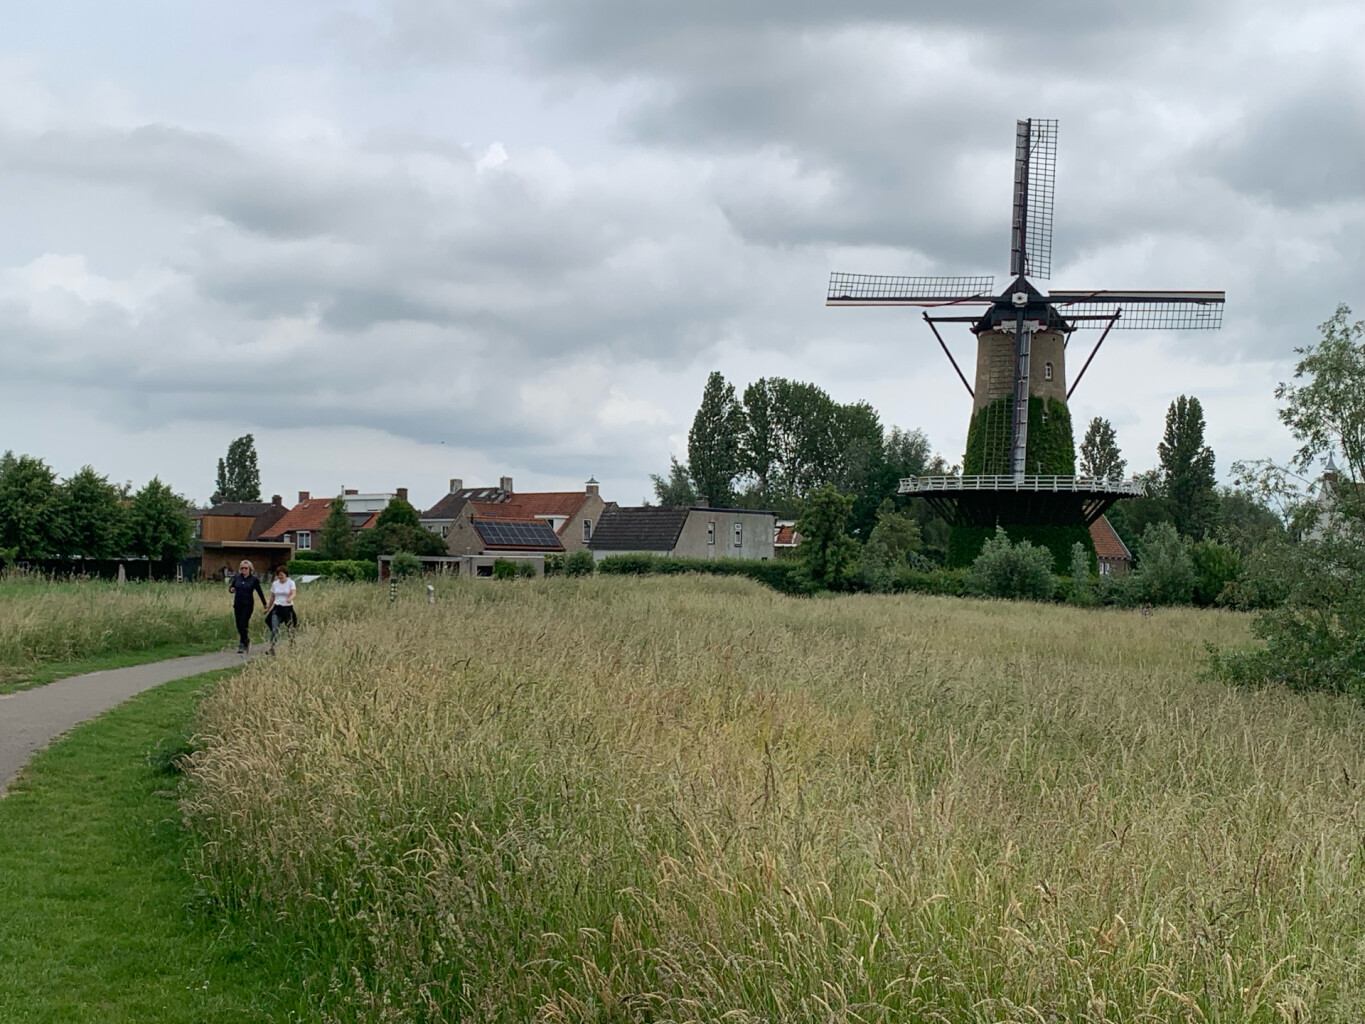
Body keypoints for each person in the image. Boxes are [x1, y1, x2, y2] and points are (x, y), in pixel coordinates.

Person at [228, 559, 267, 654]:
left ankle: (243, 643)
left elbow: (260, 592)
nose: (244, 570)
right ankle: (246, 639)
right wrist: (231, 589)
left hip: (248, 604)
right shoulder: (237, 578)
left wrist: (265, 604)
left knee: (243, 623)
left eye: (246, 568)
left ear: (250, 569)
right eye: (242, 568)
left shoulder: (253, 580)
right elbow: (231, 587)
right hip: (238, 604)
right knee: (238, 624)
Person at [264, 565, 298, 654]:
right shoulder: (275, 584)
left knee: (290, 629)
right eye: (278, 575)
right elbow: (272, 597)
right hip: (277, 609)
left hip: (287, 609)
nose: (280, 576)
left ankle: (292, 646)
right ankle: (271, 648)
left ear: (286, 574)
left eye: (281, 574)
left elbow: (293, 593)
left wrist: (290, 598)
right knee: (274, 629)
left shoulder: (291, 583)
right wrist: (268, 608)